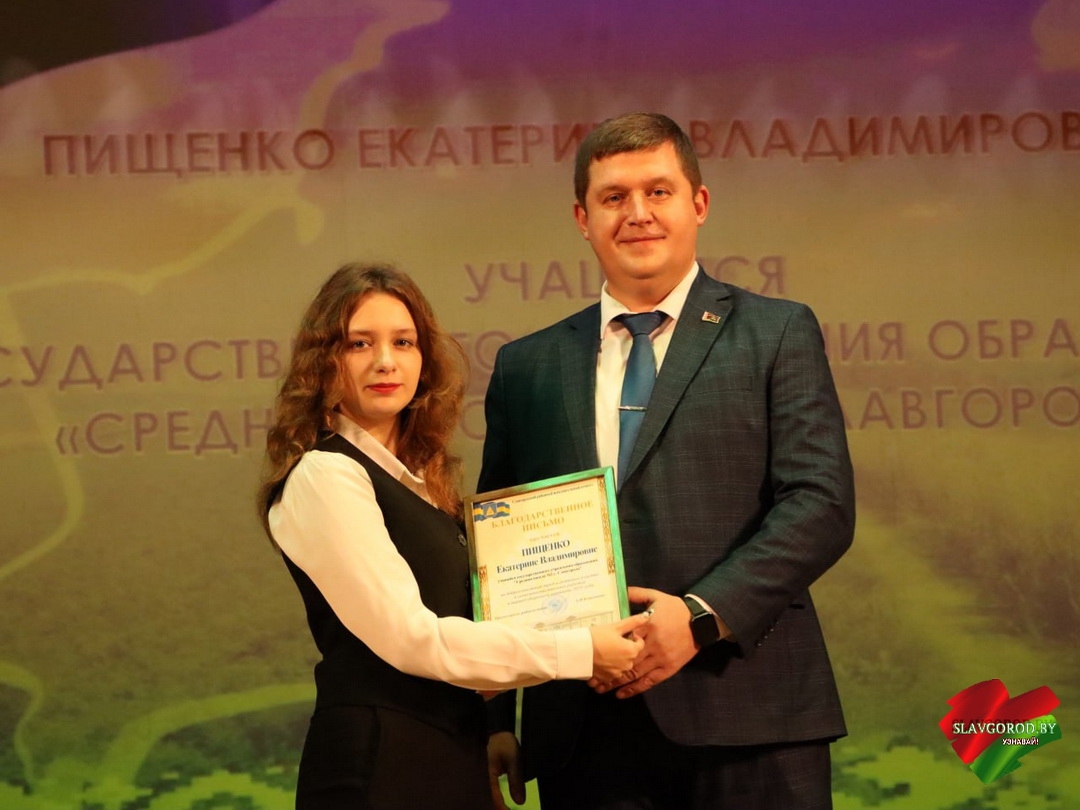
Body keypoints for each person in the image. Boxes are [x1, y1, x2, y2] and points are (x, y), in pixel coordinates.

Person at [480, 113, 856, 809]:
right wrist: (497, 714)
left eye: (658, 191)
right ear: (582, 218)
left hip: (748, 714)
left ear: (699, 203)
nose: (638, 213)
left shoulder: (776, 332)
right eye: (613, 197)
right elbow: (496, 553)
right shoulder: (525, 367)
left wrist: (699, 617)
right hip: (584, 729)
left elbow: (820, 504)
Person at [258, 262, 649, 810]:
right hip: (381, 765)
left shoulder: (419, 483)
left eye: (404, 342)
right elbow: (413, 639)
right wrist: (581, 649)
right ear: (323, 360)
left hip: (444, 752)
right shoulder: (328, 474)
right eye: (359, 344)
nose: (386, 361)